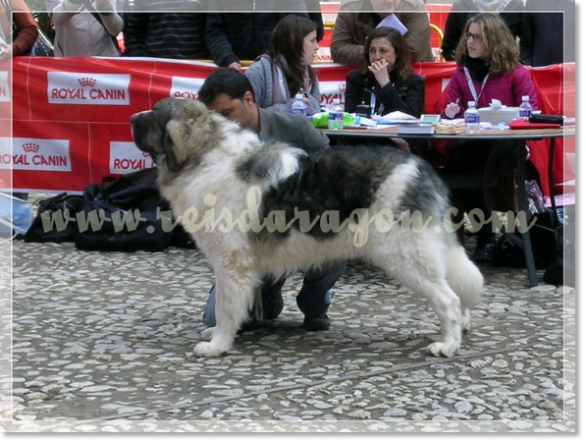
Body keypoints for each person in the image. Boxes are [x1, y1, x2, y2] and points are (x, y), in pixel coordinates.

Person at [197, 67, 346, 332]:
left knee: (336, 248)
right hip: (251, 244)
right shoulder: (214, 145)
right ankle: (267, 297)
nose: (221, 124)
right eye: (214, 118)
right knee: (213, 320)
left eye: (226, 113)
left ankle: (314, 305)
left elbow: (333, 174)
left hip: (305, 230)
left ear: (248, 99)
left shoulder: (296, 127)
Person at [440, 13, 537, 263]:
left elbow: (532, 114)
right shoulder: (461, 73)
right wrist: (450, 112)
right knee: (459, 163)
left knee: (474, 162)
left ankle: (486, 236)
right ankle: (482, 235)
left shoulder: (516, 73)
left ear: (493, 41)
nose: (470, 42)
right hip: (471, 142)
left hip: (506, 144)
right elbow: (450, 111)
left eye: (478, 38)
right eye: (468, 36)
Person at [205, 0, 321, 71]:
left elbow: (300, 29)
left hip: (279, 72)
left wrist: (278, 60)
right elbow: (215, 32)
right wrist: (228, 59)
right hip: (233, 73)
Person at [244, 14, 321, 115]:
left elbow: (317, 112)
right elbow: (247, 116)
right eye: (312, 40)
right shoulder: (258, 73)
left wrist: (306, 102)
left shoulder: (310, 75)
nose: (317, 47)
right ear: (294, 43)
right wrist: (288, 109)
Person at [330, 0, 433, 67]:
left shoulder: (414, 7)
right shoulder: (350, 8)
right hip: (364, 77)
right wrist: (376, 54)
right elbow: (338, 49)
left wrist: (375, 54)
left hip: (409, 77)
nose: (389, 1)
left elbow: (414, 50)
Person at [440, 0, 525, 63]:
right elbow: (449, 47)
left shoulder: (516, 6)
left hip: (503, 73)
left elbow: (527, 45)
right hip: (469, 76)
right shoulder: (461, 5)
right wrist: (464, 71)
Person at [122, 0, 209, 59]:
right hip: (155, 66)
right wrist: (139, 57)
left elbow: (213, 29)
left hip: (196, 64)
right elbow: (134, 31)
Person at [46, 0, 123, 57]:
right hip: (69, 63)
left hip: (105, 62)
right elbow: (56, 18)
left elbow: (116, 29)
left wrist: (104, 5)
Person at [519, 0, 575, 67]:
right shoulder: (533, 2)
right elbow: (526, 43)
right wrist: (528, 65)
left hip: (571, 71)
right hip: (540, 70)